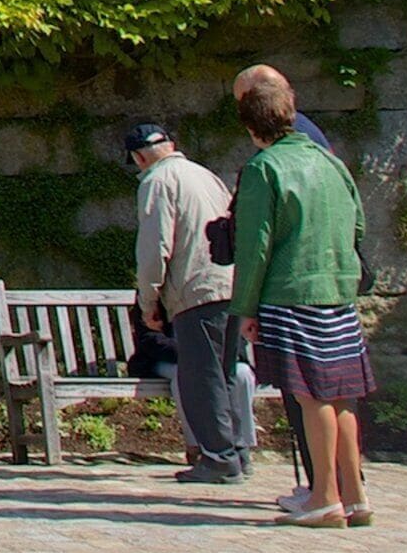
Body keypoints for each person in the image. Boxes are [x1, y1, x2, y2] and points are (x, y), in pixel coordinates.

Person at [228, 65, 374, 528]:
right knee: (343, 396)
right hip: (338, 291)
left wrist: (245, 308)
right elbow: (359, 226)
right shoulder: (330, 161)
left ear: (251, 126)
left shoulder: (263, 168)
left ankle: (323, 497)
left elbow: (254, 246)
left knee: (311, 397)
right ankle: (354, 495)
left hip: (291, 294)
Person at [126, 119, 250, 486]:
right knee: (226, 372)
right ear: (172, 143)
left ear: (138, 158)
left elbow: (154, 249)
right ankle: (237, 452)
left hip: (196, 291)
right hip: (231, 285)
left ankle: (219, 458)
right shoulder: (207, 176)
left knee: (201, 377)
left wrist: (148, 301)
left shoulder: (156, 182)